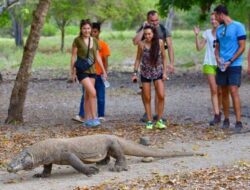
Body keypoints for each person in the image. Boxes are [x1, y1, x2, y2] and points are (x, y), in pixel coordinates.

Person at [133, 10, 174, 122]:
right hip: (145, 69)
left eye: (156, 20)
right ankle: (148, 114)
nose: (155, 23)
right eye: (152, 21)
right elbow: (135, 42)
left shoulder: (163, 30)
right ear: (147, 20)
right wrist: (143, 28)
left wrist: (171, 64)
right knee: (146, 94)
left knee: (160, 93)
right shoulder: (144, 30)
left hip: (158, 68)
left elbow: (169, 46)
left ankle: (158, 114)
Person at [214, 5, 247, 133]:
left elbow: (242, 47)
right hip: (222, 65)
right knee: (223, 91)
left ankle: (238, 121)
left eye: (216, 15)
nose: (215, 18)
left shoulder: (238, 26)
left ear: (221, 14)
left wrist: (230, 61)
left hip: (234, 64)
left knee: (233, 90)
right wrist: (217, 57)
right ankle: (226, 119)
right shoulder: (219, 29)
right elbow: (216, 48)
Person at [71, 19, 107, 127]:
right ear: (81, 29)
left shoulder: (94, 41)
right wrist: (72, 72)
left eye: (88, 28)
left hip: (92, 71)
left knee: (87, 95)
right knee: (93, 92)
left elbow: (98, 56)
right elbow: (73, 56)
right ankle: (94, 117)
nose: (86, 30)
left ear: (91, 29)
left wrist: (104, 71)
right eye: (84, 28)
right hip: (82, 71)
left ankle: (87, 120)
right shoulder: (77, 40)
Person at [132, 25, 168, 129]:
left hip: (158, 72)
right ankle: (149, 120)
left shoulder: (160, 42)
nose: (148, 36)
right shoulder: (141, 44)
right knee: (147, 97)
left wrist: (165, 72)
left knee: (161, 95)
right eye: (146, 34)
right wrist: (135, 73)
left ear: (153, 34)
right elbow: (138, 59)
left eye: (149, 34)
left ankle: (159, 120)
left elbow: (164, 58)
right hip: (145, 73)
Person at [193, 13, 223, 126]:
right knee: (214, 90)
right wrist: (196, 35)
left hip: (221, 64)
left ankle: (220, 111)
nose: (213, 21)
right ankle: (216, 114)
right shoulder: (207, 33)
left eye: (215, 19)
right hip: (209, 63)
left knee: (220, 91)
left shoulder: (223, 32)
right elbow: (199, 48)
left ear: (219, 19)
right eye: (211, 19)